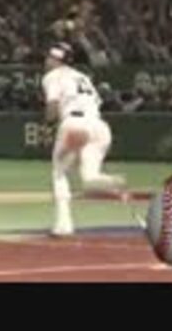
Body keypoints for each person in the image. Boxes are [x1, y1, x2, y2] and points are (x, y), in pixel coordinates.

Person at [40, 42, 125, 237]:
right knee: (89, 178)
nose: (47, 61)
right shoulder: (83, 76)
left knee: (59, 173)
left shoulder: (53, 76)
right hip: (99, 126)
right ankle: (114, 182)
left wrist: (47, 125)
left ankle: (63, 225)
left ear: (57, 60)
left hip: (75, 125)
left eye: (51, 58)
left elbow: (52, 107)